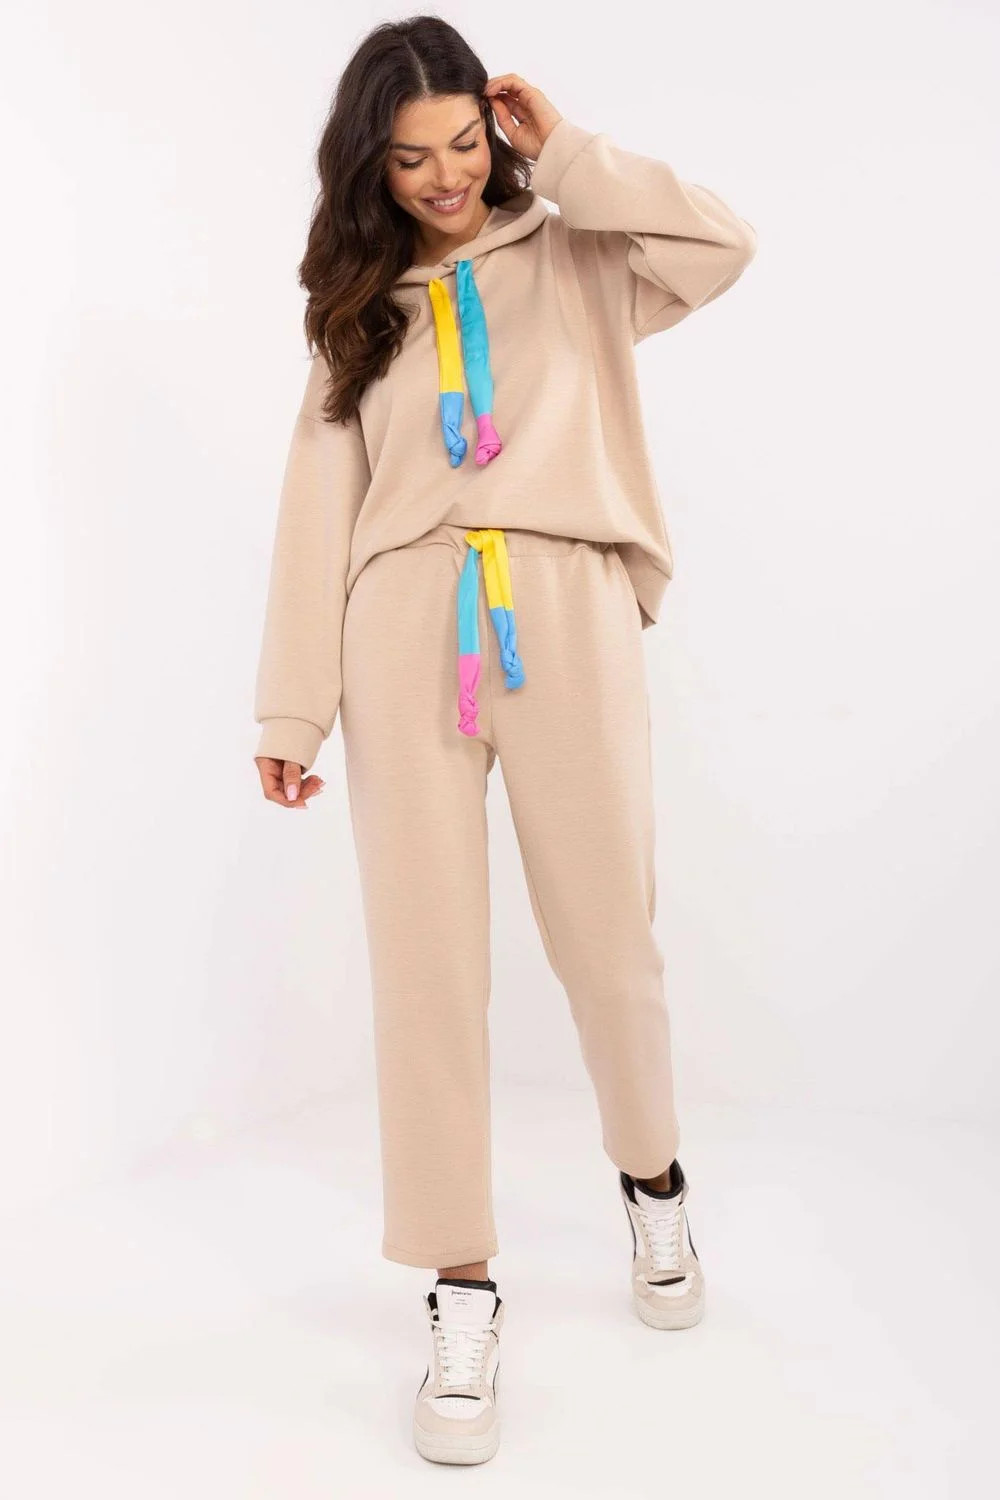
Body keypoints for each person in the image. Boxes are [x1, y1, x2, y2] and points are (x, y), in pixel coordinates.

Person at [252, 14, 756, 1466]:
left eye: (465, 143)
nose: (444, 177)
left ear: (499, 129)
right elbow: (316, 505)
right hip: (405, 616)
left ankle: (652, 1183)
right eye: (410, 158)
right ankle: (461, 1289)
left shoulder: (580, 250)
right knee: (427, 965)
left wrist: (572, 151)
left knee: (608, 937)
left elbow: (722, 248)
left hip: (564, 602)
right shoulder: (358, 307)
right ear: (371, 165)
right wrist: (293, 704)